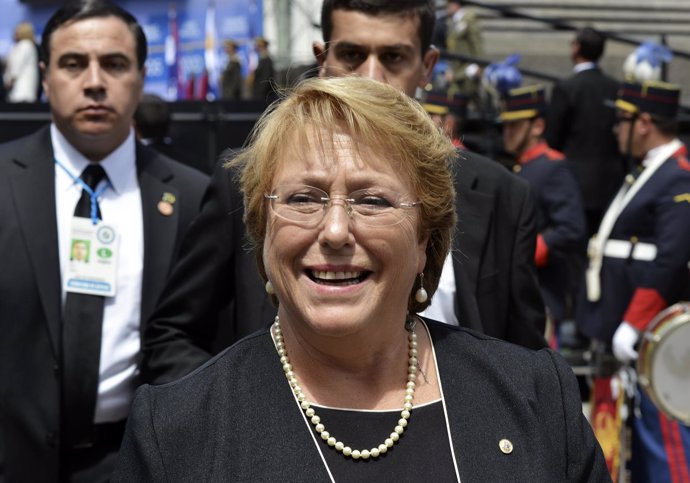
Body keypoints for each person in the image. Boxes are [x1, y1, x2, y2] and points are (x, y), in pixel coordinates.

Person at [113, 75, 607, 481]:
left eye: (372, 201)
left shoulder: (537, 397)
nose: (334, 231)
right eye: (304, 198)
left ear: (424, 241)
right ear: (262, 232)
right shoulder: (174, 429)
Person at [142, 0, 546, 387]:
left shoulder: (502, 196)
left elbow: (525, 366)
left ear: (427, 66)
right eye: (352, 55)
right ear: (322, 59)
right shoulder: (248, 178)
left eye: (393, 58)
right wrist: (229, 421)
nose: (371, 77)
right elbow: (174, 334)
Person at [0, 1, 209, 481]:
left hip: (135, 462)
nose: (94, 81)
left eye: (114, 64)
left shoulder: (193, 198)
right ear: (46, 76)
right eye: (73, 64)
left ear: (140, 76)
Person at [577, 80, 690, 481]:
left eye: (621, 119)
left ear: (643, 123)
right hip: (622, 331)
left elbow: (671, 259)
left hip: (649, 341)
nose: (614, 129)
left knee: (664, 447)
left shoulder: (677, 176)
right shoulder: (649, 171)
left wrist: (635, 323)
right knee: (633, 448)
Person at [500, 85, 586, 347]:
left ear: (537, 126)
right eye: (505, 126)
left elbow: (571, 228)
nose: (507, 132)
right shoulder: (522, 167)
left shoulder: (552, 167)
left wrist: (525, 251)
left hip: (543, 293)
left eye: (515, 125)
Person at [545, 27, 625, 237]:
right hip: (612, 180)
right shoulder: (615, 88)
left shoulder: (566, 88)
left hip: (574, 182)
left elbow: (553, 139)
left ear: (576, 48)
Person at [445, 0, 483, 104]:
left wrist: (479, 65)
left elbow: (476, 44)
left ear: (456, 4)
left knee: (471, 100)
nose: (447, 7)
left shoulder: (468, 19)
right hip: (457, 68)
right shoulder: (453, 21)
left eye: (449, 4)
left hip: (467, 68)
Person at [3, 21, 40, 102]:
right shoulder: (27, 45)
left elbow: (16, 67)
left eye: (17, 30)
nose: (15, 32)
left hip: (21, 90)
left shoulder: (25, 45)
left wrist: (9, 80)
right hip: (23, 89)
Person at [249, 36, 274, 102]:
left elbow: (266, 78)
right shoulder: (261, 59)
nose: (258, 48)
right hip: (260, 94)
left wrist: (260, 92)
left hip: (263, 95)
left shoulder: (267, 60)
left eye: (260, 46)